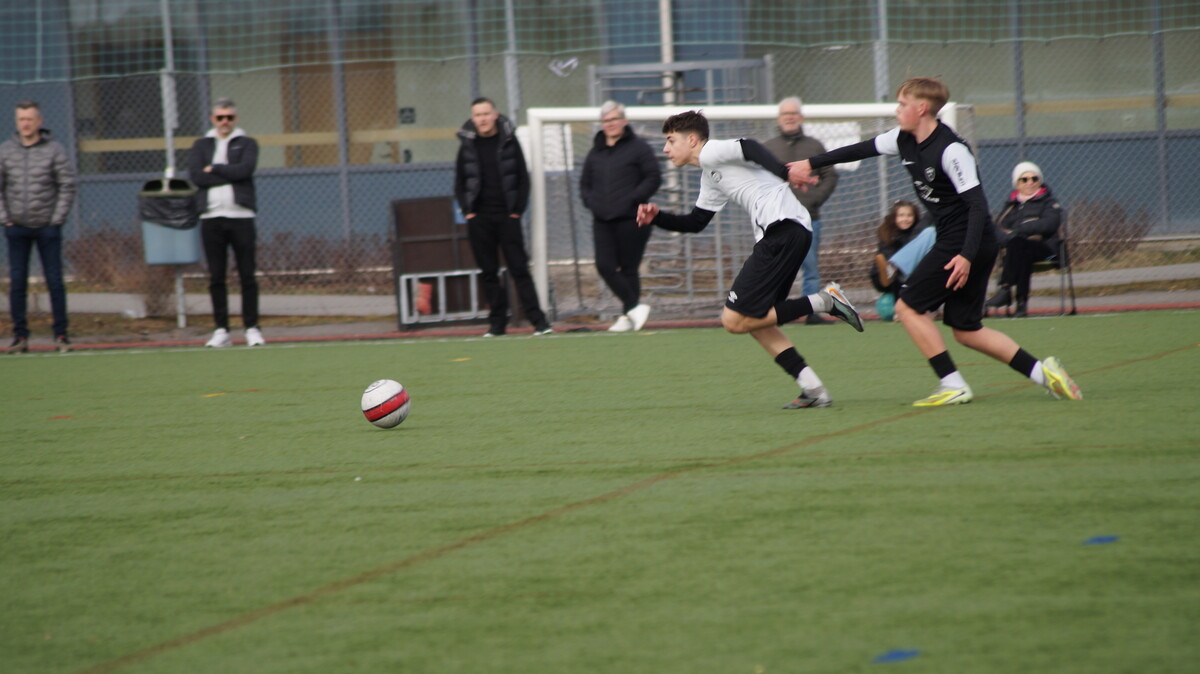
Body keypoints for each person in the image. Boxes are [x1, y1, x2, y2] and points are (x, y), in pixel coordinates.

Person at [788, 77, 1082, 406]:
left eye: (902, 104)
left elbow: (977, 206)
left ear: (922, 108)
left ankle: (952, 384)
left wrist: (966, 256)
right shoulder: (903, 139)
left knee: (907, 308)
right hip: (965, 241)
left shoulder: (952, 150)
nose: (897, 110)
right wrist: (810, 163)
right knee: (966, 329)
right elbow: (861, 149)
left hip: (965, 241)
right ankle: (1044, 373)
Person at [636, 111, 863, 409]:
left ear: (691, 140)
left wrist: (785, 172)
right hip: (788, 232)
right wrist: (657, 218)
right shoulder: (710, 174)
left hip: (782, 230)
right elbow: (696, 222)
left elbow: (749, 146)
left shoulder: (711, 151)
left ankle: (825, 301)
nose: (666, 148)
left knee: (732, 320)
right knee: (756, 321)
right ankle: (814, 390)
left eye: (670, 140)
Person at [454, 97, 552, 337]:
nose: (482, 119)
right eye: (478, 115)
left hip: (507, 217)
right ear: (472, 118)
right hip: (479, 219)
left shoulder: (509, 140)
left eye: (486, 114)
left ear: (495, 115)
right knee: (488, 272)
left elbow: (522, 178)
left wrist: (516, 210)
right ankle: (497, 325)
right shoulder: (467, 145)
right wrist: (468, 212)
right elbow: (459, 182)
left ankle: (539, 322)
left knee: (519, 268)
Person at [579, 101, 662, 332]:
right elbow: (584, 185)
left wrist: (633, 199)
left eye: (614, 119)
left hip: (633, 218)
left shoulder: (639, 148)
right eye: (606, 120)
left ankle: (628, 317)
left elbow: (653, 177)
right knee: (604, 266)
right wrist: (591, 202)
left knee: (629, 268)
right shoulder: (595, 152)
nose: (610, 124)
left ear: (624, 121)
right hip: (602, 220)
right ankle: (634, 307)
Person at [188, 98, 265, 347]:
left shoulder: (247, 143)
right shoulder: (201, 145)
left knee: (247, 275)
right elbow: (197, 177)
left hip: (241, 217)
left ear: (235, 118)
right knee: (216, 276)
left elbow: (245, 171)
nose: (225, 122)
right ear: (213, 119)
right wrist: (229, 173)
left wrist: (215, 168)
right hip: (211, 218)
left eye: (229, 117)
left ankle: (252, 328)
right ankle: (221, 330)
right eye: (220, 117)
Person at [2, 101, 77, 354]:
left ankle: (61, 335)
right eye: (21, 119)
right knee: (17, 283)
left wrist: (56, 219)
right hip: (16, 227)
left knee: (55, 281)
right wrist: (5, 218)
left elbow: (67, 184)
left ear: (39, 121)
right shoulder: (6, 151)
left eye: (29, 119)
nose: (25, 124)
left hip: (47, 228)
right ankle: (20, 337)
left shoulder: (54, 150)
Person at [763, 96, 839, 325]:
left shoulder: (814, 146)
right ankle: (773, 312)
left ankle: (811, 313)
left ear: (801, 117)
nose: (789, 118)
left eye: (793, 114)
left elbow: (830, 175)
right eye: (785, 114)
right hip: (776, 222)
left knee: (810, 268)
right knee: (774, 268)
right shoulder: (768, 148)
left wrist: (814, 200)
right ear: (779, 118)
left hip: (808, 219)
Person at [985, 161, 1065, 317]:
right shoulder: (1011, 206)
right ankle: (1021, 304)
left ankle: (1006, 289)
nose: (1030, 182)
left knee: (1019, 244)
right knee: (1021, 250)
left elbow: (1049, 224)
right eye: (1024, 179)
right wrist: (1011, 238)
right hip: (1020, 252)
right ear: (1017, 184)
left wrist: (1020, 230)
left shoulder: (1049, 203)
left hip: (1048, 254)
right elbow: (997, 229)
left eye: (1034, 178)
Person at [870, 200, 926, 321]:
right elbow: (887, 254)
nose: (905, 219)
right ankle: (898, 309)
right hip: (885, 277)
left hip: (910, 276)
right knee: (898, 268)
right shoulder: (887, 232)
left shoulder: (918, 233)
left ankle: (928, 308)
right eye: (901, 215)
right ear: (894, 217)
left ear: (915, 217)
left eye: (909, 215)